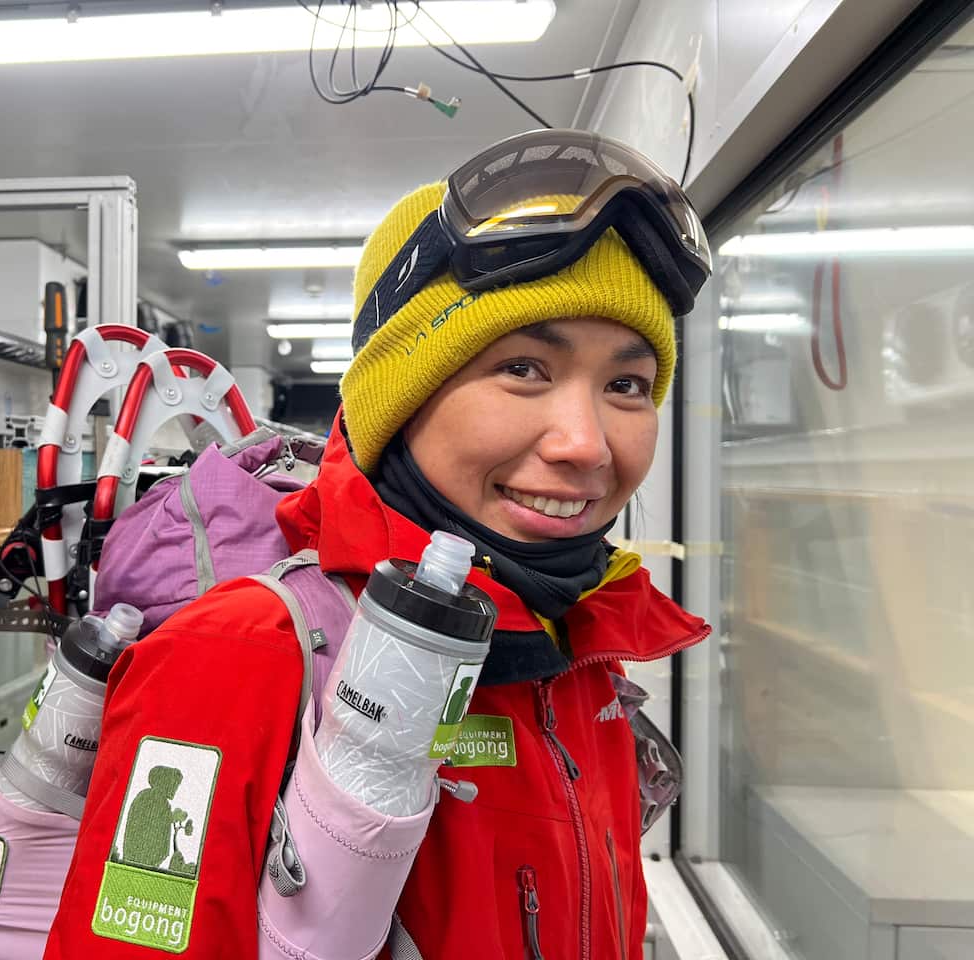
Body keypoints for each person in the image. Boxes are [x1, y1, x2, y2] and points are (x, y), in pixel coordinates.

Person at [45, 128, 712, 959]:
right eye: (523, 370)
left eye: (626, 385)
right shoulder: (240, 656)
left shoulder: (574, 641)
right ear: (400, 399)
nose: (585, 443)